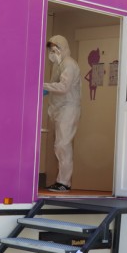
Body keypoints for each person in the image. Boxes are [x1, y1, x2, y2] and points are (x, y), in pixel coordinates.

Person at [43, 35, 82, 192]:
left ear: (62, 48)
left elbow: (64, 87)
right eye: (51, 49)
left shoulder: (69, 64)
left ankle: (64, 182)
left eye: (55, 48)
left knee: (63, 144)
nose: (53, 52)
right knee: (59, 145)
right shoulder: (59, 65)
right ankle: (61, 181)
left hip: (69, 108)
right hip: (61, 108)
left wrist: (42, 85)